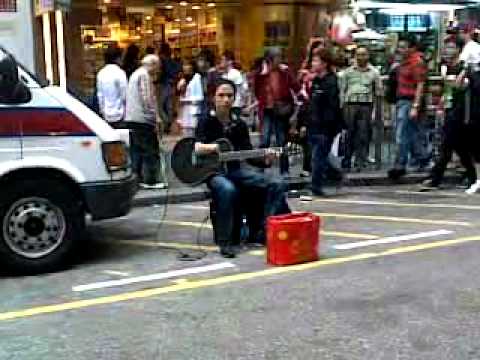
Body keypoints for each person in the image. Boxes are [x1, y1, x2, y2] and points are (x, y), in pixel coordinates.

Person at [195, 79, 290, 258]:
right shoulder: (206, 121)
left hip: (234, 170)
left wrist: (266, 160)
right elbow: (195, 147)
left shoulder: (239, 124)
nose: (226, 100)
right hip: (213, 173)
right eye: (221, 95)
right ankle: (226, 241)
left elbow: (247, 154)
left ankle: (262, 229)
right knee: (227, 189)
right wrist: (213, 148)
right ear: (213, 98)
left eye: (229, 96)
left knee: (275, 183)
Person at [422, 40, 477, 190]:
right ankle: (472, 176)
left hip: (462, 113)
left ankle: (435, 178)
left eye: (451, 47)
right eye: (446, 47)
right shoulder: (446, 68)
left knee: (447, 146)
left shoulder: (465, 68)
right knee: (460, 147)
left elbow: (461, 87)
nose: (447, 50)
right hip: (449, 110)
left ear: (459, 50)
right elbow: (444, 90)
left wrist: (463, 72)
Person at [302, 49, 343, 197]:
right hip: (314, 124)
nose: (313, 64)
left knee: (318, 156)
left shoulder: (331, 81)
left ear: (324, 64)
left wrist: (328, 126)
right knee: (319, 155)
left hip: (325, 127)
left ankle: (316, 185)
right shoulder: (316, 81)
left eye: (316, 61)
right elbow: (311, 104)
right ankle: (335, 174)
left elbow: (332, 106)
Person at [254, 47, 300, 175]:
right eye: (277, 57)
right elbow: (257, 91)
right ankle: (261, 166)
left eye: (280, 56)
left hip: (281, 110)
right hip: (267, 110)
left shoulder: (285, 72)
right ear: (270, 59)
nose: (279, 60)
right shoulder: (261, 73)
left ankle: (284, 169)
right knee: (265, 140)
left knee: (282, 140)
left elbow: (296, 86)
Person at [388, 34, 428, 180]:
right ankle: (421, 158)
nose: (400, 49)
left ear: (412, 48)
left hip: (409, 100)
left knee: (402, 134)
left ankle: (400, 164)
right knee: (410, 134)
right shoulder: (402, 62)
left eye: (404, 47)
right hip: (401, 100)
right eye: (399, 47)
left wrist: (415, 105)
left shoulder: (416, 62)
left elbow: (420, 84)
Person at [125, 54, 165, 189]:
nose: (158, 70)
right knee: (150, 150)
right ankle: (151, 179)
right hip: (143, 119)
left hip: (132, 118)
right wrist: (156, 117)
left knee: (136, 151)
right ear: (152, 64)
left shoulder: (135, 74)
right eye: (157, 66)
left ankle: (137, 180)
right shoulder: (144, 76)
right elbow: (147, 99)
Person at [340, 46, 382, 171]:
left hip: (366, 105)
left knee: (363, 134)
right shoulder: (348, 72)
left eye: (363, 54)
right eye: (358, 54)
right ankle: (347, 160)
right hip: (350, 104)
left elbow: (378, 92)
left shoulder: (374, 72)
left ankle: (360, 161)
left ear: (368, 56)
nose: (361, 57)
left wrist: (376, 111)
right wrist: (341, 107)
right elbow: (343, 90)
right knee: (349, 134)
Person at [96, 45, 127, 128]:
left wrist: (102, 111)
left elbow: (100, 95)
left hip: (106, 115)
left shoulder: (101, 73)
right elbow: (125, 95)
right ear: (117, 58)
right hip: (120, 114)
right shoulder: (120, 73)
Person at [158, 43, 182, 133]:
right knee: (168, 106)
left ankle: (167, 122)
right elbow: (177, 70)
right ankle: (168, 123)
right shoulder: (172, 60)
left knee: (161, 106)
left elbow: (161, 73)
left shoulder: (162, 60)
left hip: (164, 84)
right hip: (172, 84)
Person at [177, 60, 204, 137]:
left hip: (194, 111)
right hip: (184, 111)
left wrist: (186, 100)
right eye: (184, 65)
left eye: (187, 65)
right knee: (185, 134)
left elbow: (200, 97)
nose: (185, 67)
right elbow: (179, 94)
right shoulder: (183, 79)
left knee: (193, 134)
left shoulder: (197, 78)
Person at [218, 50, 248, 116]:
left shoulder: (234, 73)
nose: (221, 62)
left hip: (235, 106)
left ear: (229, 61)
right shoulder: (225, 74)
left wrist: (243, 103)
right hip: (228, 105)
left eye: (223, 60)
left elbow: (243, 90)